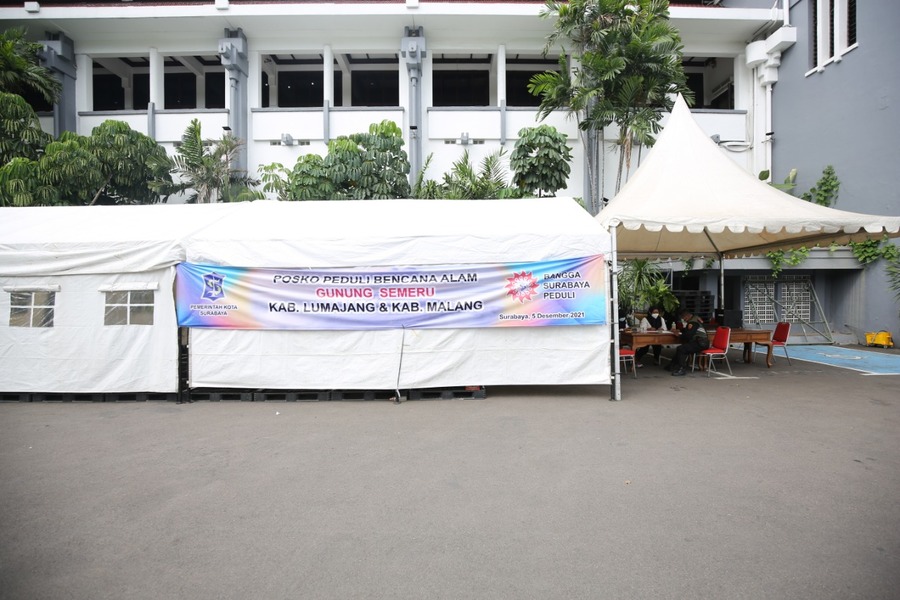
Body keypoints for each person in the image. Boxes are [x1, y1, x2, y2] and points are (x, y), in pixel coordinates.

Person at [669, 309, 709, 376]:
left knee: (681, 349)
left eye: (683, 318)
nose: (683, 320)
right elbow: (687, 330)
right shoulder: (694, 320)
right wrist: (680, 330)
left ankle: (682, 369)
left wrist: (678, 335)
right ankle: (672, 365)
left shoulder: (692, 323)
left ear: (687, 316)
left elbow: (688, 336)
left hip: (701, 343)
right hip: (701, 342)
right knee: (682, 348)